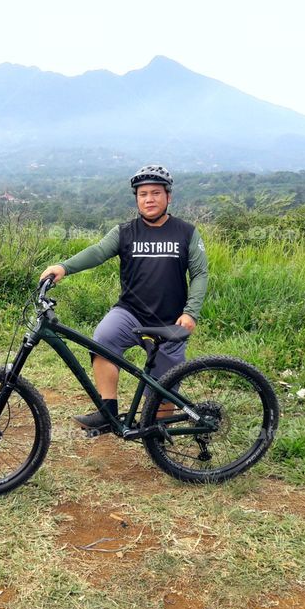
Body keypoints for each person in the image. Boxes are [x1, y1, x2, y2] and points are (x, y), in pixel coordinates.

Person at [38, 164, 209, 433]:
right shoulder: (125, 232)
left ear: (168, 197)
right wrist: (63, 267)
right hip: (130, 313)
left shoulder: (186, 233)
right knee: (104, 338)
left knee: (162, 400)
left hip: (170, 320)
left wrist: (191, 312)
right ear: (137, 199)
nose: (149, 199)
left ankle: (159, 432)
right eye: (143, 194)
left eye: (155, 193)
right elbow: (97, 251)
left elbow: (200, 274)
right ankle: (108, 412)